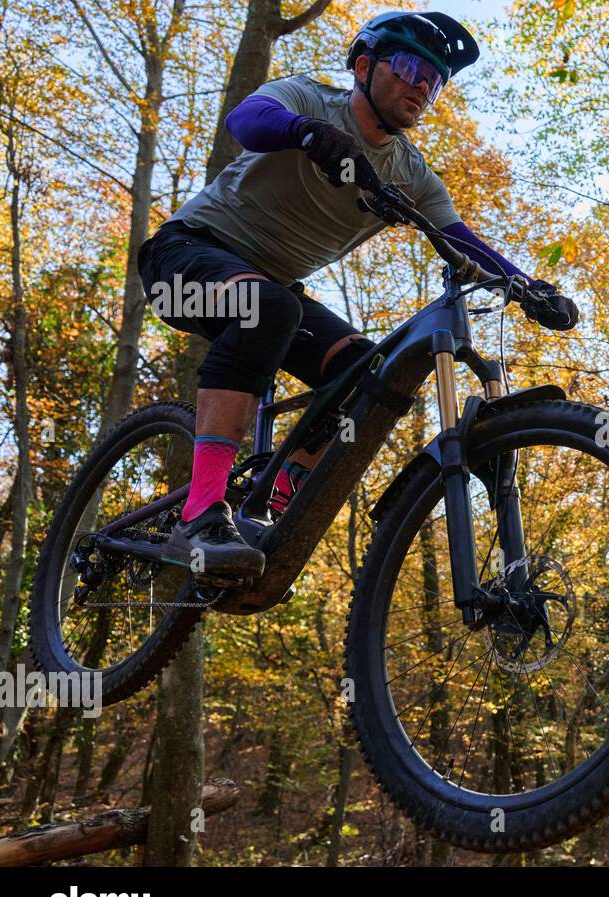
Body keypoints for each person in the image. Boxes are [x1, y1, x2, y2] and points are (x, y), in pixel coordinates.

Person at [136, 10, 577, 579]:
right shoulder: (310, 100)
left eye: (435, 80)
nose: (422, 85)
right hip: (184, 259)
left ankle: (269, 504)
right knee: (271, 308)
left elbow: (461, 241)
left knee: (369, 372)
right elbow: (246, 119)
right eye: (413, 67)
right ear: (365, 66)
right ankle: (198, 514)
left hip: (273, 292)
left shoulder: (411, 174)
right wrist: (307, 133)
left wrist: (528, 287)